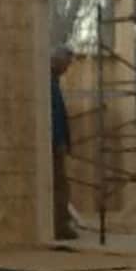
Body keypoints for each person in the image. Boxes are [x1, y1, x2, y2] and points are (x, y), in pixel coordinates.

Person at [51, 46, 79, 240]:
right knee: (59, 185)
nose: (67, 68)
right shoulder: (48, 83)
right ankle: (59, 227)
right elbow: (54, 116)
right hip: (52, 144)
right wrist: (59, 141)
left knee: (59, 185)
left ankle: (60, 224)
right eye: (67, 64)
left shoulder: (53, 82)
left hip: (55, 143)